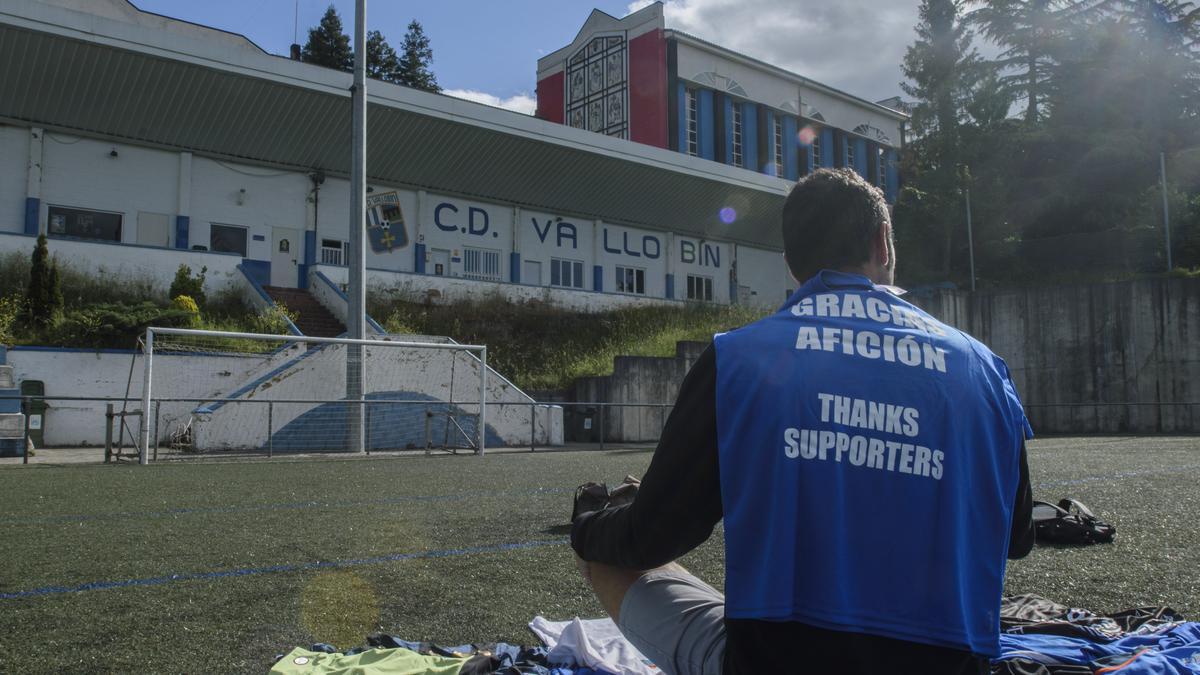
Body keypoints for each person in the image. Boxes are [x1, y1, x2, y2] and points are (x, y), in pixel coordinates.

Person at [570, 168, 1035, 675]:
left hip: (778, 661)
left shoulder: (738, 360)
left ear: (791, 264)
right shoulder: (984, 368)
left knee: (607, 560)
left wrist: (587, 525)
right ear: (883, 242)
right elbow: (1016, 539)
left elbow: (649, 538)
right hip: (949, 663)